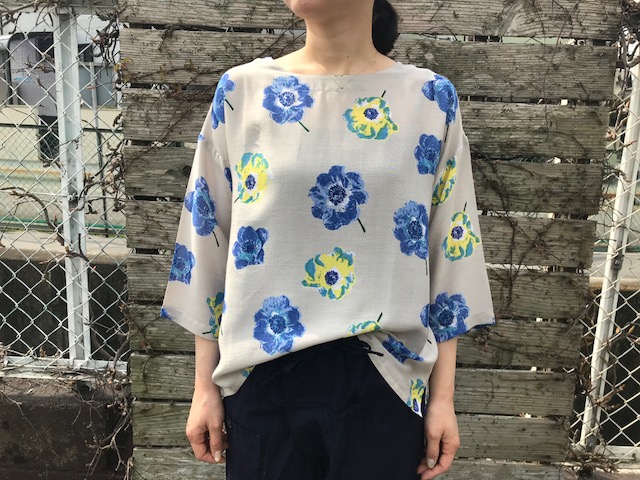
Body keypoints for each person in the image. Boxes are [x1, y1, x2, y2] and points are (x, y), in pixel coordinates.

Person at [159, 0, 496, 478]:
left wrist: (442, 399)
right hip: (263, 374)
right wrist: (203, 388)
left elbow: (450, 245)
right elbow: (207, 235)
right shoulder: (244, 91)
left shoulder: (429, 99)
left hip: (386, 380)